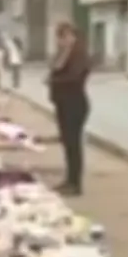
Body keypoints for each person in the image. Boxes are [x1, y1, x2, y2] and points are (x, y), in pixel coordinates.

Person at [48, 21, 92, 196]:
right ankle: (68, 180)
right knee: (67, 144)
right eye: (60, 37)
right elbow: (54, 70)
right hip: (62, 104)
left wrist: (53, 81)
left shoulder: (79, 55)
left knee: (74, 145)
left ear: (73, 36)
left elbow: (74, 78)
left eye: (66, 36)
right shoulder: (62, 55)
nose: (62, 40)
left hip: (75, 104)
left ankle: (76, 184)